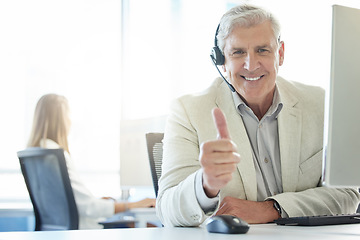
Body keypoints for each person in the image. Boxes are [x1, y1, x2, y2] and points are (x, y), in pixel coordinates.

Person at [156, 4, 360, 227]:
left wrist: (271, 209)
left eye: (262, 50)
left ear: (280, 54)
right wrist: (205, 184)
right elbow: (167, 210)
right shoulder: (188, 111)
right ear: (221, 61)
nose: (251, 65)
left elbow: (348, 195)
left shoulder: (320, 103)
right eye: (238, 52)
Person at [27, 93, 156, 229]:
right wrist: (132, 204)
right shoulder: (56, 155)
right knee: (151, 228)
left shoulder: (37, 153)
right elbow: (88, 207)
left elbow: (72, 202)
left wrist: (97, 202)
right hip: (83, 230)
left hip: (58, 230)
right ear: (62, 120)